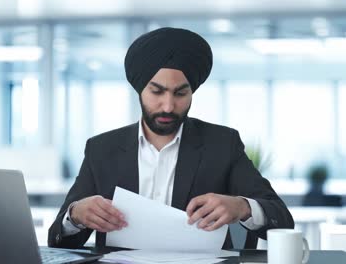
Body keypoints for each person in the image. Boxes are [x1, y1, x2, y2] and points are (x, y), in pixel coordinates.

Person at [48, 27, 294, 249]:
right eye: (157, 91)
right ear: (140, 89)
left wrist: (241, 207)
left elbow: (281, 218)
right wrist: (76, 214)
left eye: (180, 93)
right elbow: (58, 239)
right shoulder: (101, 149)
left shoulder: (222, 144)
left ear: (192, 91)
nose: (168, 105)